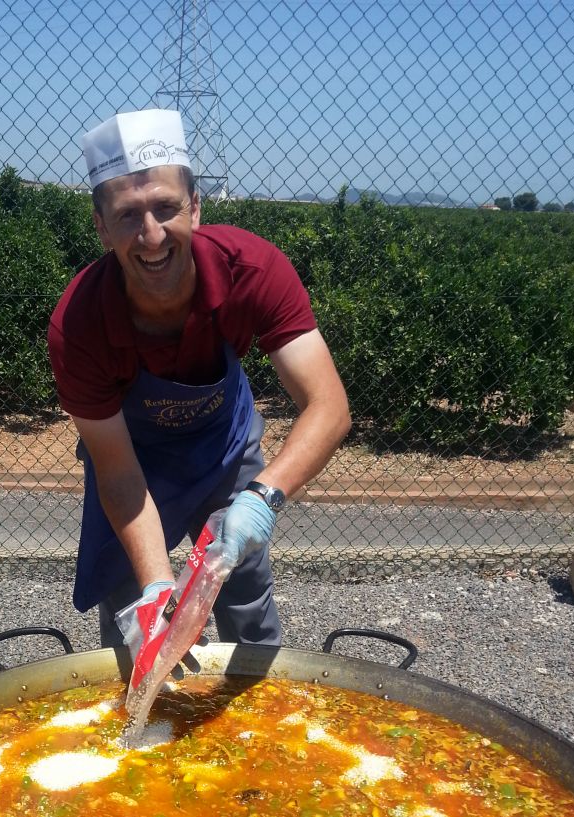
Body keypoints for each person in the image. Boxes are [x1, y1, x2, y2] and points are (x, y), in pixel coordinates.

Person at [48, 109, 351, 648]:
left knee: (245, 597)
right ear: (99, 226)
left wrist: (263, 498)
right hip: (135, 461)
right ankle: (140, 722)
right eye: (127, 215)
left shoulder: (254, 270)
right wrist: (158, 585)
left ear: (195, 205)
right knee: (138, 618)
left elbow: (328, 405)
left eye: (166, 208)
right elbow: (117, 473)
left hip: (226, 448)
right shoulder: (78, 325)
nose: (151, 235)